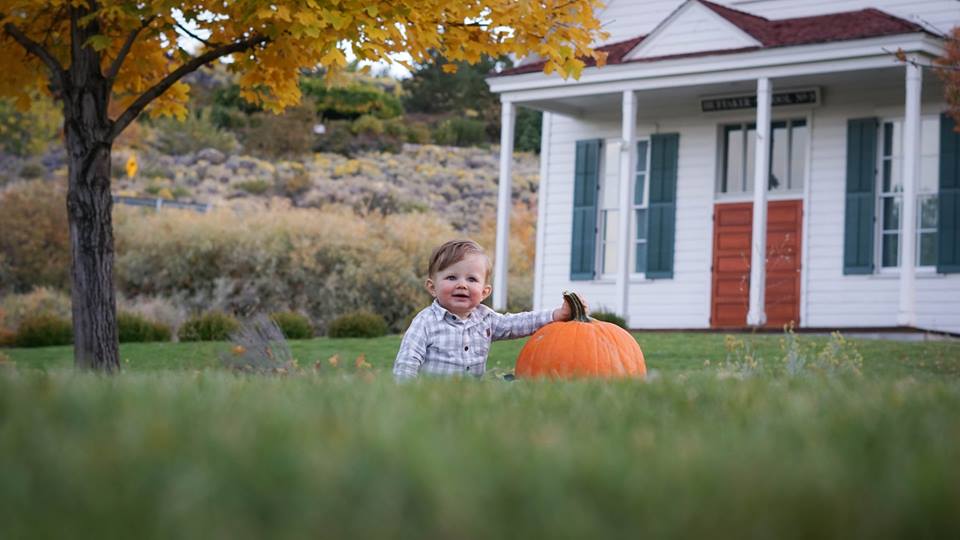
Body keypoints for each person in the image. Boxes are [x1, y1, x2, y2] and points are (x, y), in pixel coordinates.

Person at [393, 239, 586, 380]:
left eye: (471, 279)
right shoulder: (426, 321)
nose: (462, 285)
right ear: (432, 287)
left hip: (472, 399)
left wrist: (557, 315)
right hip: (434, 396)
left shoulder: (485, 318)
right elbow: (407, 361)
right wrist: (407, 394)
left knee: (512, 384)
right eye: (452, 277)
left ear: (485, 291)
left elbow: (517, 323)